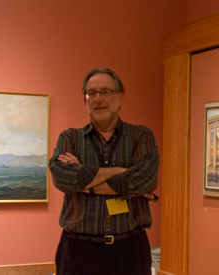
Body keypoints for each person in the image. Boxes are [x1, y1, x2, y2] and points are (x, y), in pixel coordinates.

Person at [49, 67, 159, 275]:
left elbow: (144, 181)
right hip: (78, 251)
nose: (98, 99)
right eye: (92, 93)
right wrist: (122, 172)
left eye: (106, 92)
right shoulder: (70, 138)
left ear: (120, 98)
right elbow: (63, 179)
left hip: (129, 250)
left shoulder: (141, 136)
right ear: (85, 101)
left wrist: (84, 178)